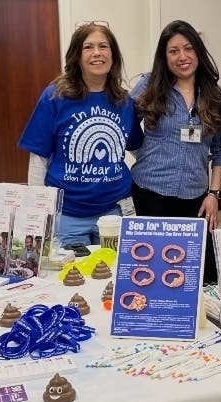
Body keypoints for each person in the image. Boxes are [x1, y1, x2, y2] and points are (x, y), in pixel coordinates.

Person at [18, 22, 143, 247]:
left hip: (115, 210)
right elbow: (38, 157)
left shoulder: (124, 101)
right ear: (76, 55)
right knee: (70, 277)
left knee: (114, 276)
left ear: (113, 55)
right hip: (68, 215)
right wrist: (39, 209)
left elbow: (136, 146)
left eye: (103, 46)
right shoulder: (55, 96)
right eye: (88, 47)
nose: (97, 53)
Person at [130, 20, 221, 283]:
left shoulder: (214, 95)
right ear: (164, 56)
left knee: (201, 272)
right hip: (150, 191)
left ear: (198, 51)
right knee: (152, 269)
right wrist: (144, 153)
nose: (182, 57)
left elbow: (219, 151)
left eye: (188, 48)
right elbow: (123, 127)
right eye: (173, 51)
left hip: (196, 197)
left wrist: (214, 195)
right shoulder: (148, 86)